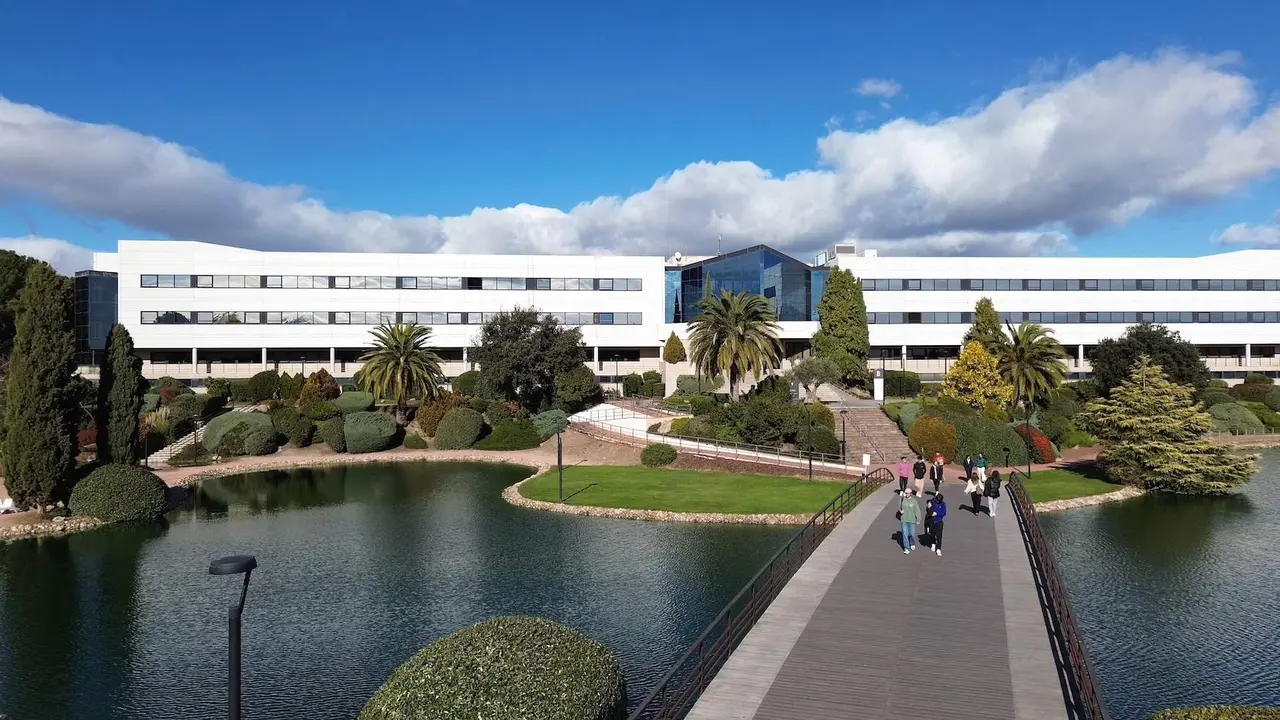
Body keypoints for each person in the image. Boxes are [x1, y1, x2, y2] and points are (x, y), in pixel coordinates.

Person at [899, 488, 921, 554]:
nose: (906, 494)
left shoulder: (914, 501)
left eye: (908, 493)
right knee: (905, 534)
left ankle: (912, 543)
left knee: (912, 534)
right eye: (906, 493)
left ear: (911, 493)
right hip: (904, 519)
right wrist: (900, 511)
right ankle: (906, 548)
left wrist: (918, 519)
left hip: (912, 520)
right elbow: (898, 507)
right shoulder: (902, 500)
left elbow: (917, 510)